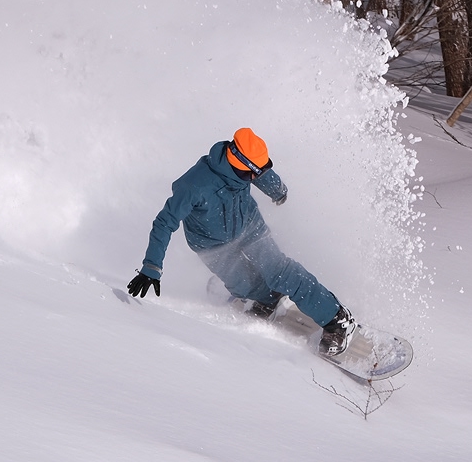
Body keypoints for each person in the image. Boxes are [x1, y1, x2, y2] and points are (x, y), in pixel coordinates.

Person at [127, 128, 357, 356]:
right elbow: (164, 223)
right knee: (243, 286)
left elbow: (261, 171)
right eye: (251, 175)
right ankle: (268, 300)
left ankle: (337, 319)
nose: (255, 178)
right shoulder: (193, 186)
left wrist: (278, 192)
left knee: (280, 271)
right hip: (212, 244)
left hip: (250, 227)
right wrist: (151, 268)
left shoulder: (246, 165)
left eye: (258, 172)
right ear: (236, 162)